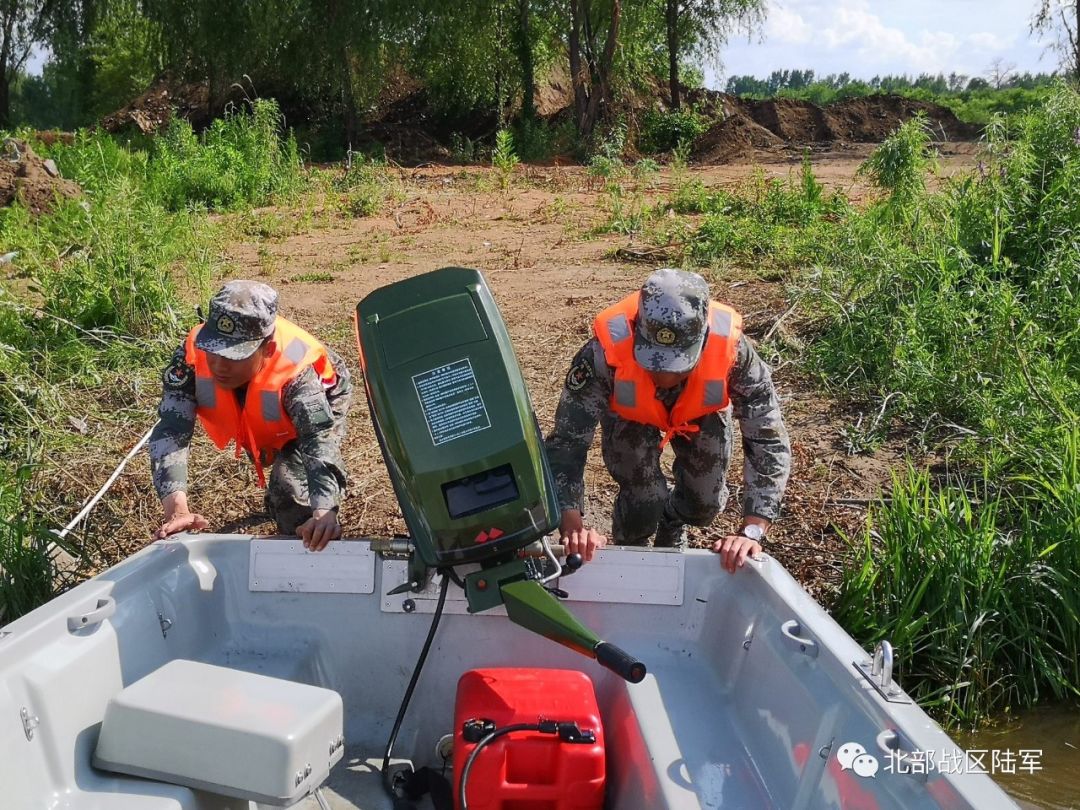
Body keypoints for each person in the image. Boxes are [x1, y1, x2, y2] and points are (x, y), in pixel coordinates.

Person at [545, 268, 791, 572]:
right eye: (653, 360)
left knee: (705, 505)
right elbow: (567, 444)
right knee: (644, 501)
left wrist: (752, 531)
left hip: (698, 409)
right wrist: (573, 527)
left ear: (703, 340)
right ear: (637, 330)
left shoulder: (734, 352)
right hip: (630, 410)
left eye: (679, 364)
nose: (664, 376)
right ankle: (630, 547)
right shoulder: (601, 355)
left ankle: (673, 520)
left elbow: (768, 436)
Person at [148, 280, 352, 551]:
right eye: (214, 349)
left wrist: (324, 512)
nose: (219, 365)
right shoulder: (191, 357)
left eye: (234, 355)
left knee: (289, 484)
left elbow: (318, 441)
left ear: (267, 350)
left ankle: (300, 543)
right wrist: (176, 510)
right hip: (260, 409)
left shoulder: (299, 375)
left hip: (324, 398)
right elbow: (172, 430)